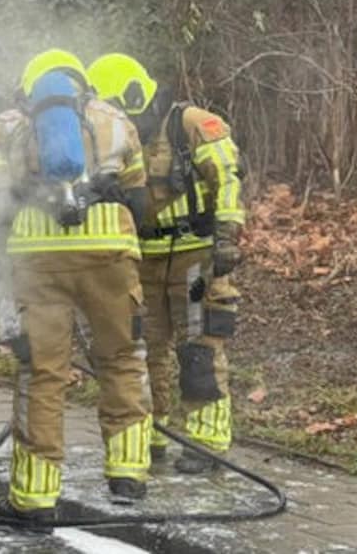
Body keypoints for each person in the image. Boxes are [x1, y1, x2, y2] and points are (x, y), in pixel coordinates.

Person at [0, 50, 153, 524]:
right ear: (83, 83)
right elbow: (140, 199)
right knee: (122, 358)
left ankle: (34, 499)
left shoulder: (9, 125)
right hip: (111, 257)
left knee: (42, 373)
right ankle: (128, 477)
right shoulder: (115, 119)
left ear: (30, 86)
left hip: (40, 261)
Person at [86, 53, 245, 473]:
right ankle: (151, 434)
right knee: (142, 351)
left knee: (198, 348)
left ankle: (206, 444)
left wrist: (227, 235)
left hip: (194, 259)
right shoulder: (112, 136)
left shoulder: (190, 124)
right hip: (141, 261)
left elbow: (228, 177)